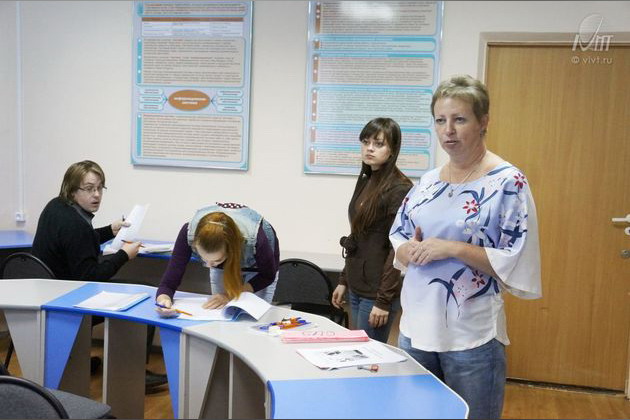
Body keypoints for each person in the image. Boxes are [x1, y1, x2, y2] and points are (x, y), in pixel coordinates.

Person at [389, 75, 541, 419]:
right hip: (416, 330)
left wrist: (452, 248)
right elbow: (399, 235)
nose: (448, 131)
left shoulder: (507, 182)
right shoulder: (428, 182)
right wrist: (407, 251)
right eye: (440, 120)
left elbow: (516, 256)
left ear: (483, 122)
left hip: (471, 336)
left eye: (459, 119)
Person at [331, 118, 413, 343]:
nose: (369, 148)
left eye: (378, 144)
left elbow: (397, 249)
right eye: (366, 142)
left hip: (377, 292)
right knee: (357, 352)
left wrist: (383, 300)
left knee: (369, 356)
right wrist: (344, 280)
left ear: (392, 150)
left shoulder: (400, 188)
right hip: (357, 285)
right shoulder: (367, 178)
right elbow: (357, 236)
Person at [155, 202, 279, 315]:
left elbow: (267, 276)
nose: (209, 266)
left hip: (258, 270)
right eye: (204, 259)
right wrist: (163, 299)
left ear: (231, 249)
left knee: (250, 316)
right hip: (228, 262)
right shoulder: (188, 234)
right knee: (221, 311)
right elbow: (169, 281)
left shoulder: (256, 238)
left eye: (217, 260)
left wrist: (229, 295)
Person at [32, 160, 142, 280]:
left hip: (46, 284)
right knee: (144, 286)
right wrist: (124, 255)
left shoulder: (56, 205)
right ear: (72, 191)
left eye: (99, 188)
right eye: (89, 188)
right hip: (69, 288)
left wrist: (110, 230)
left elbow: (78, 242)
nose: (97, 194)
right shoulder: (76, 224)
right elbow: (92, 277)